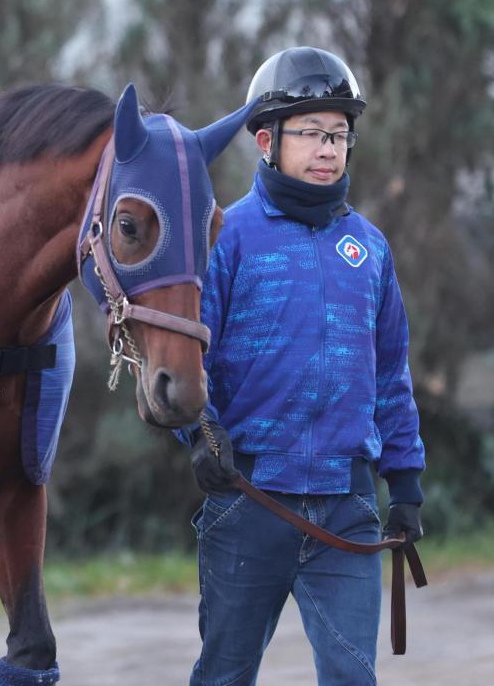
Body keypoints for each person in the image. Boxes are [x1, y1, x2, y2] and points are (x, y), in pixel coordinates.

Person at [181, 46, 426, 686]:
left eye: (340, 135)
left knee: (352, 677)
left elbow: (391, 376)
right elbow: (185, 357)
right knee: (224, 677)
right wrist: (199, 434)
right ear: (266, 140)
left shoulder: (369, 248)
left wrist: (404, 481)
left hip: (348, 503)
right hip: (250, 498)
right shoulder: (225, 237)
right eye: (314, 133)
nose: (329, 149)